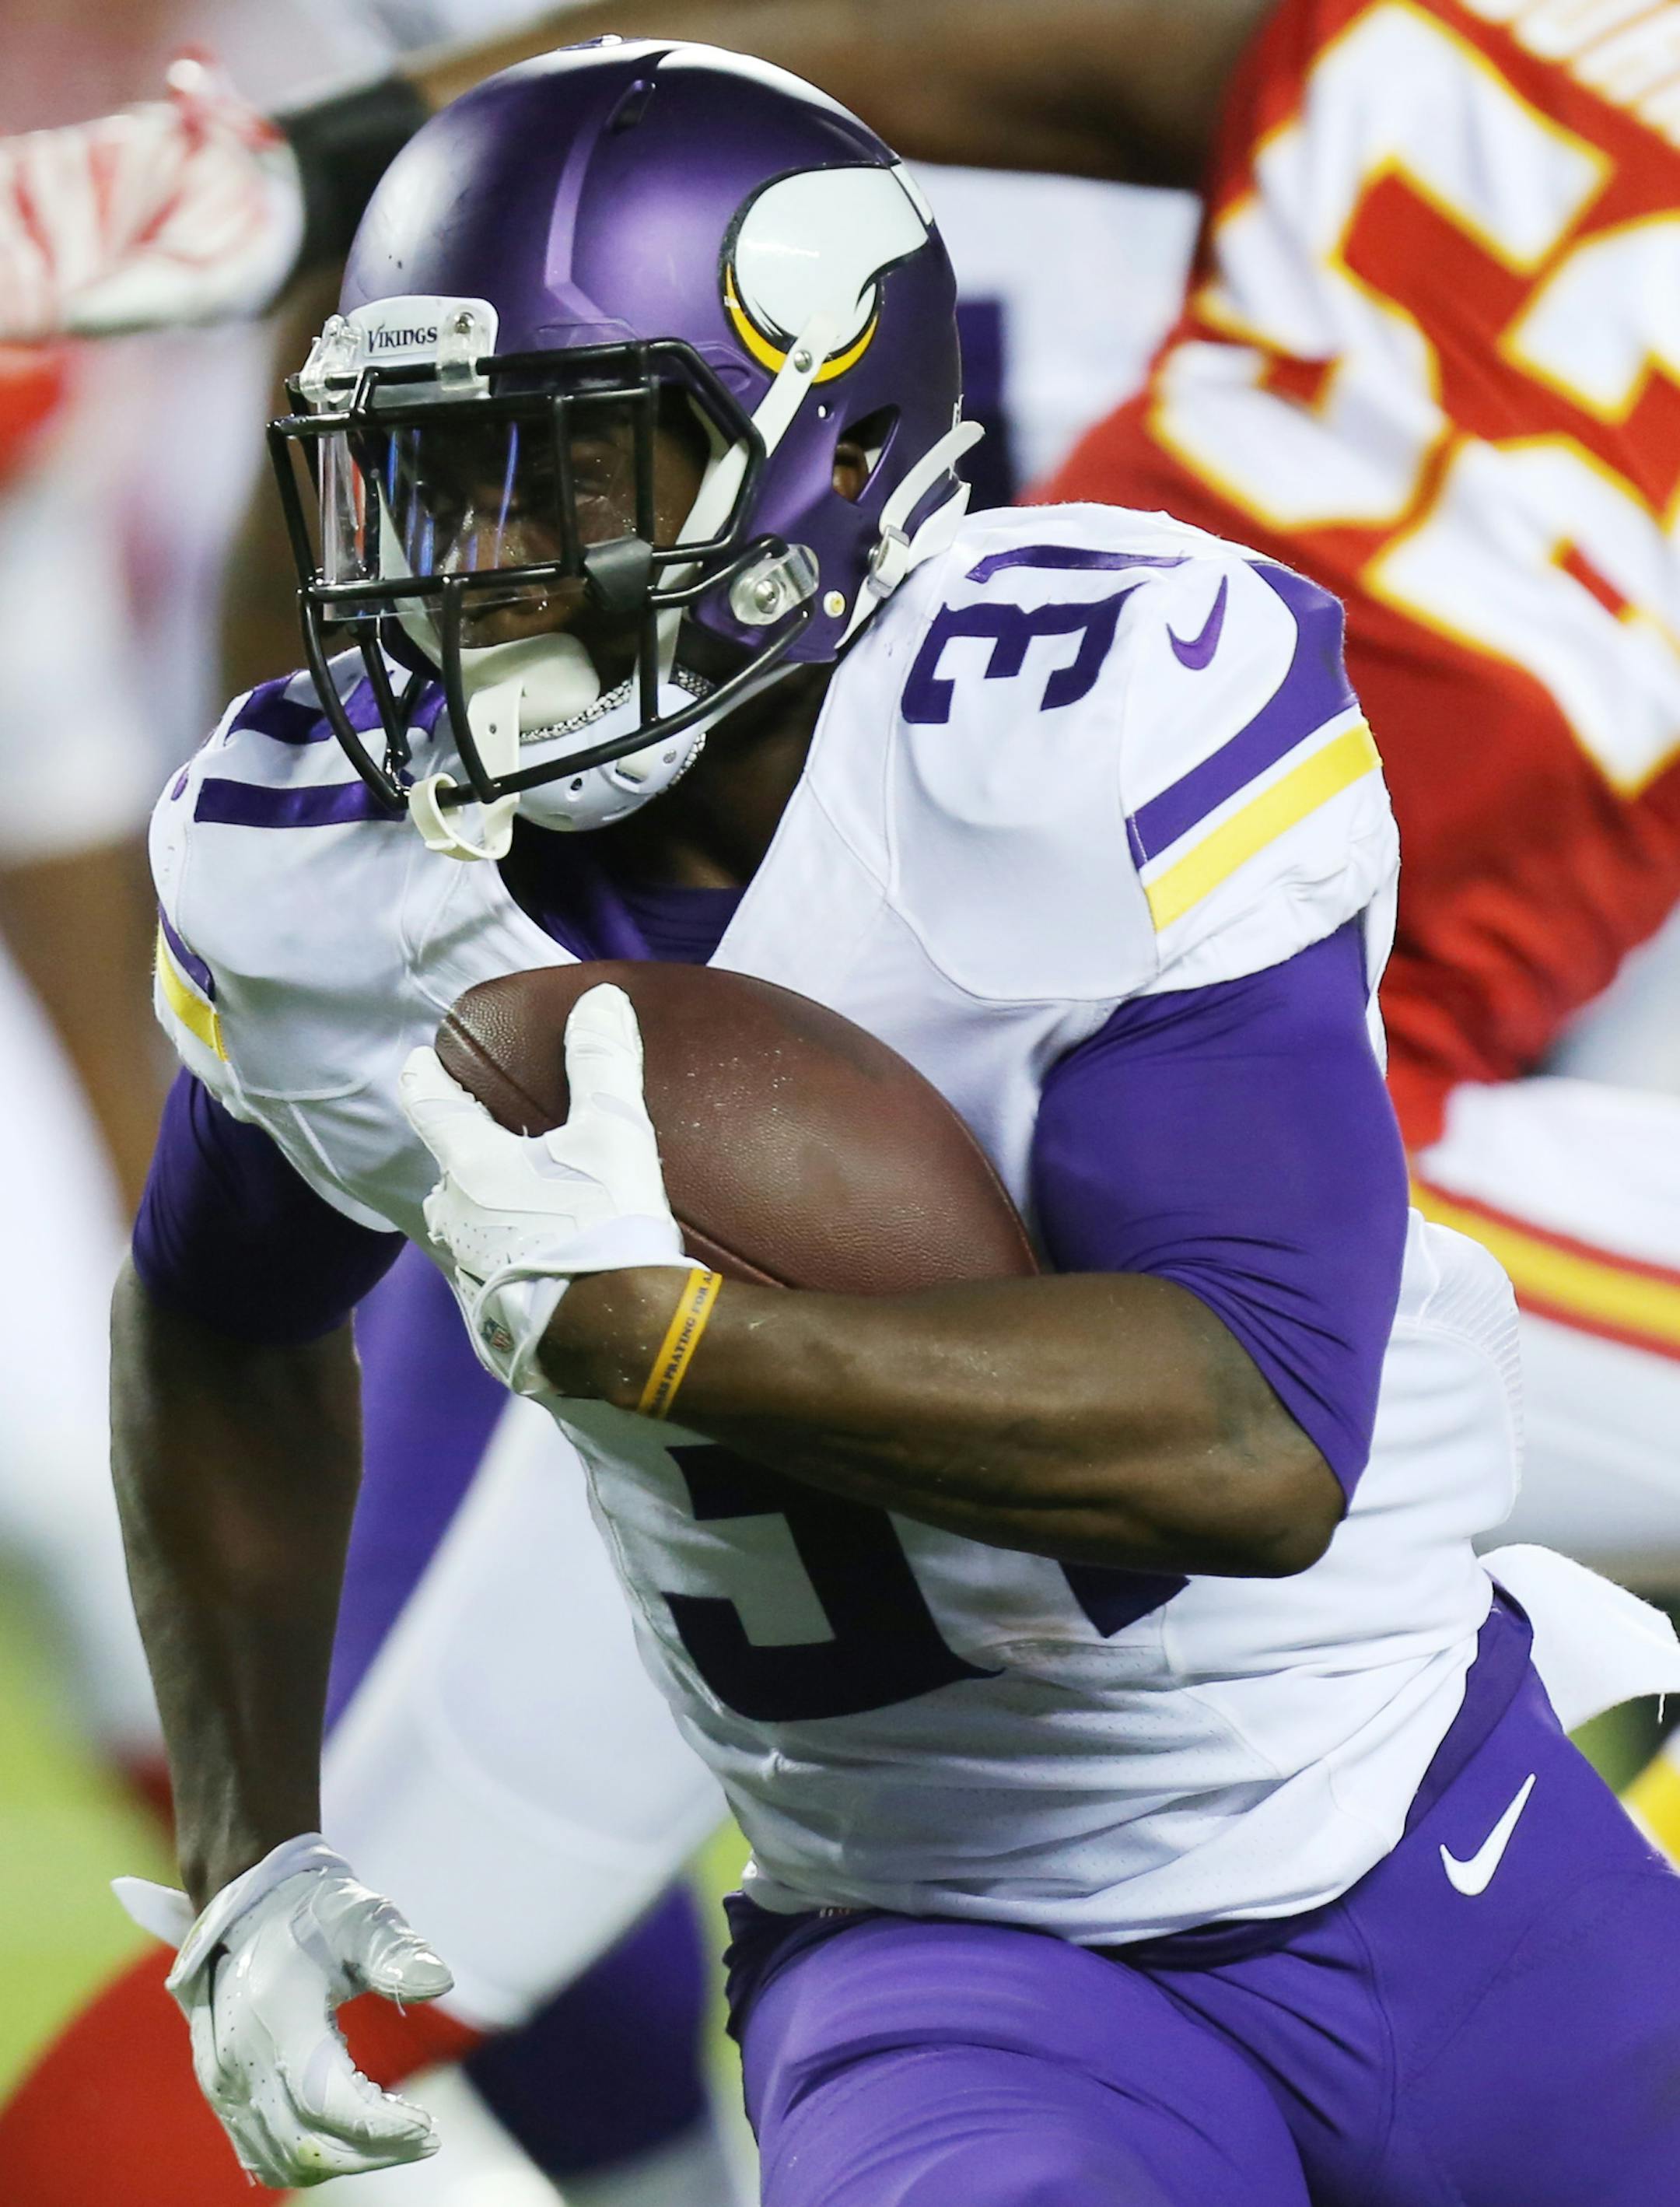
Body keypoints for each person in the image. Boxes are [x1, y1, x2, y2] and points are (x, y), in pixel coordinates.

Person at [92, 37, 1680, 2204]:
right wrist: (248, 1846)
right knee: (359, 1995)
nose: (478, 573)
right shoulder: (321, 876)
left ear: (821, 451)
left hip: (1355, 1623)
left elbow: (1251, 1442)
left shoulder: (1096, 718)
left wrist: (669, 1339)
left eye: (566, 481)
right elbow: (213, 1312)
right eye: (438, 489)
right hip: (944, 1912)